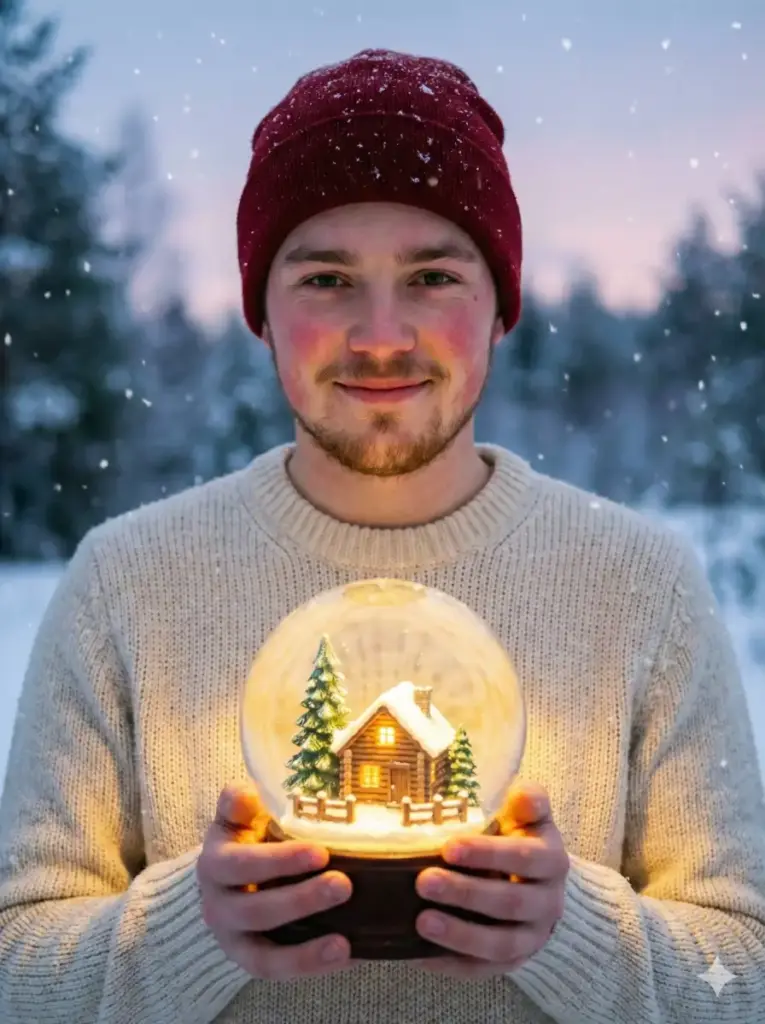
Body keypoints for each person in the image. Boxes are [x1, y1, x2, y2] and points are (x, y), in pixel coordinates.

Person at [0, 47, 763, 1024]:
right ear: (260, 313)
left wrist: (576, 932)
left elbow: (743, 976)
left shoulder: (639, 584)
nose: (381, 334)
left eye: (433, 274)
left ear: (499, 308)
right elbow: (19, 972)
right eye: (325, 278)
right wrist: (185, 932)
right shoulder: (127, 584)